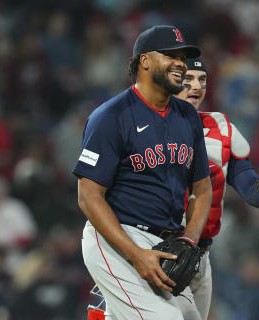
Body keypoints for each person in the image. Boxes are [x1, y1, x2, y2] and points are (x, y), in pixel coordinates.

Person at [74, 25, 212, 320]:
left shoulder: (187, 116)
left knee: (189, 316)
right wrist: (136, 255)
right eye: (171, 55)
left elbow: (202, 189)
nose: (180, 63)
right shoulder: (111, 117)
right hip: (116, 236)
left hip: (166, 241)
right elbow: (88, 197)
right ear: (145, 61)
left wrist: (189, 239)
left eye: (183, 57)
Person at [174, 56, 259, 320]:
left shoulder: (221, 126)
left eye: (201, 80)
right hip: (161, 246)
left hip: (201, 253)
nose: (196, 86)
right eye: (187, 79)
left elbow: (245, 179)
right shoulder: (146, 127)